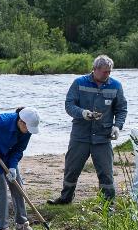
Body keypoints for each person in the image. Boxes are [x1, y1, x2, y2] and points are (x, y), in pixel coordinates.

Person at [49, 54, 127, 204]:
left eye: (109, 72)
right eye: (105, 72)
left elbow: (121, 109)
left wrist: (117, 126)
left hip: (103, 137)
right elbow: (69, 105)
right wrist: (82, 113)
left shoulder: (115, 86)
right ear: (95, 69)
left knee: (106, 172)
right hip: (80, 136)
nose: (107, 75)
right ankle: (65, 199)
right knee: (71, 169)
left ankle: (108, 204)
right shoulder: (79, 83)